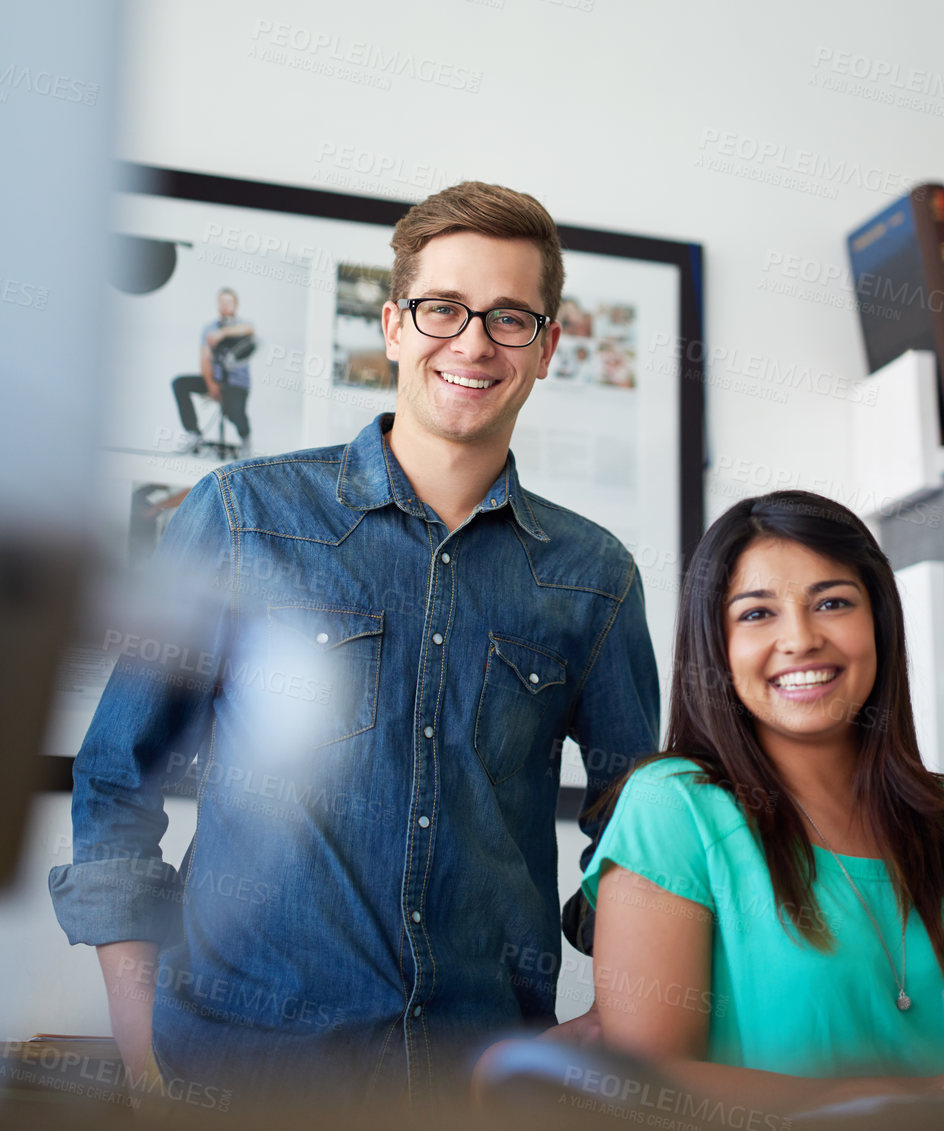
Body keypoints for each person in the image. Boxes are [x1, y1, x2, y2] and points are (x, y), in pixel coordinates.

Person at [50, 182, 660, 1106]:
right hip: (238, 1073)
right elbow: (115, 778)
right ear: (392, 326)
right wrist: (144, 1053)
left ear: (546, 349)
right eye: (442, 308)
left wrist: (621, 1009)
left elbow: (637, 829)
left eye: (508, 317)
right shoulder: (243, 516)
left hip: (481, 1083)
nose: (472, 341)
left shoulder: (594, 574)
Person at [574, 491, 944, 1118]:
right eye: (757, 614)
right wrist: (923, 1101)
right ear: (717, 649)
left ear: (879, 623)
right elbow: (649, 1090)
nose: (801, 639)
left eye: (832, 603)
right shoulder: (673, 809)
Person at [171, 287, 255, 455]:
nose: (225, 305)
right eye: (222, 301)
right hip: (215, 379)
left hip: (236, 384)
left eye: (229, 302)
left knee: (234, 412)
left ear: (236, 305)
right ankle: (194, 434)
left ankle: (246, 439)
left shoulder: (243, 326)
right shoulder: (209, 328)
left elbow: (249, 330)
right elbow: (204, 358)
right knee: (180, 383)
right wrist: (211, 385)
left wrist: (222, 333)